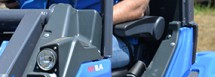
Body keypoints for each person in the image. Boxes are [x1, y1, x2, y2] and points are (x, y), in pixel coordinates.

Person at [14, 0, 149, 68]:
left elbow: (137, 6)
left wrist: (92, 22)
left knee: (63, 57)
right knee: (11, 52)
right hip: (53, 33)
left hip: (106, 37)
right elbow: (31, 10)